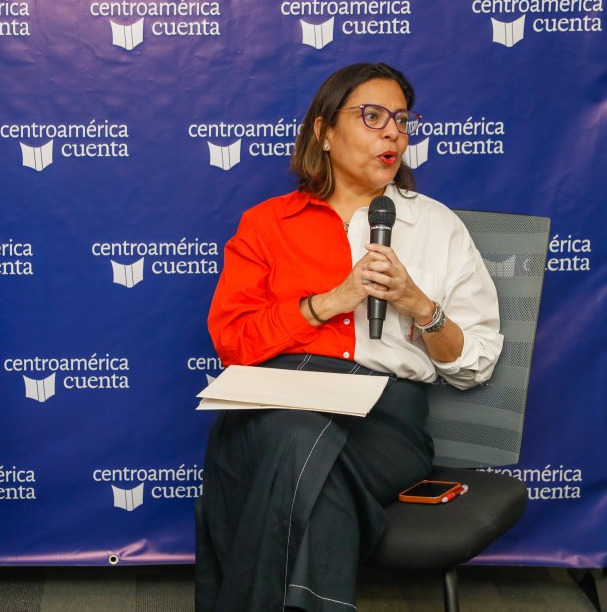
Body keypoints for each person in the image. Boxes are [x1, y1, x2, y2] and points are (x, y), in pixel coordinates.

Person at [196, 62, 503, 611]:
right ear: (324, 131)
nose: (393, 133)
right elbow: (233, 341)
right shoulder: (267, 224)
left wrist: (419, 306)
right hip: (275, 402)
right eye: (373, 116)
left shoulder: (437, 226)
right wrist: (327, 303)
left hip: (384, 419)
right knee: (302, 453)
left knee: (297, 448)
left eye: (402, 121)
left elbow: (475, 363)